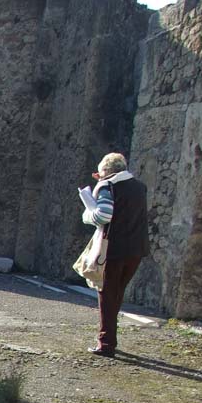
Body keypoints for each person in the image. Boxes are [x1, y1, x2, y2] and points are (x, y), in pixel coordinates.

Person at [81, 153, 149, 358]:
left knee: (106, 294)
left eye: (100, 173)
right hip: (136, 249)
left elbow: (103, 215)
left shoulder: (107, 186)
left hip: (114, 249)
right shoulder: (139, 187)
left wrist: (87, 215)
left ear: (107, 171)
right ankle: (110, 337)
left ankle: (106, 343)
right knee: (117, 293)